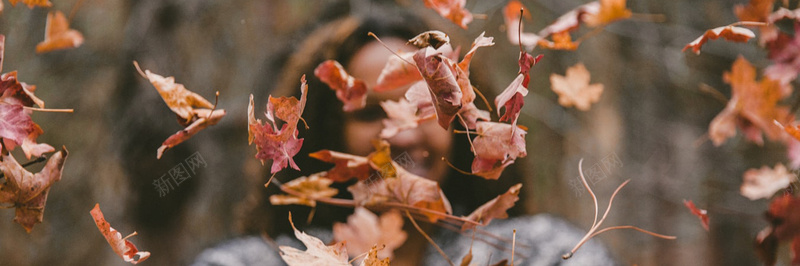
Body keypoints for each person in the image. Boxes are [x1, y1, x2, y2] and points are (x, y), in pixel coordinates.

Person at [193, 1, 617, 265]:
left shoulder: (545, 256)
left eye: (426, 107)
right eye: (370, 113)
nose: (403, 136)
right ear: (325, 134)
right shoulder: (252, 263)